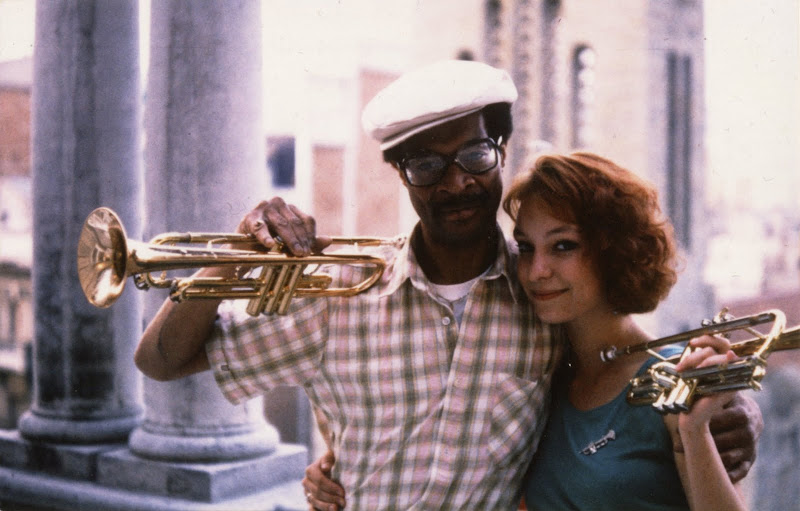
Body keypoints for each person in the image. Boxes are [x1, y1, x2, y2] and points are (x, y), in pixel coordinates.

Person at [133, 60, 761, 510]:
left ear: (502, 150)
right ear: (400, 176)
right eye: (426, 165)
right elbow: (161, 361)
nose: (454, 182)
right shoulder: (339, 299)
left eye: (474, 156)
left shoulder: (542, 306)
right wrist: (233, 259)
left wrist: (735, 412)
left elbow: (626, 368)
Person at [503, 152, 746, 510]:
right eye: (526, 247)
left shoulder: (673, 377)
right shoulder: (543, 379)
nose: (536, 270)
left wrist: (695, 432)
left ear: (613, 250)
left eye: (563, 246)